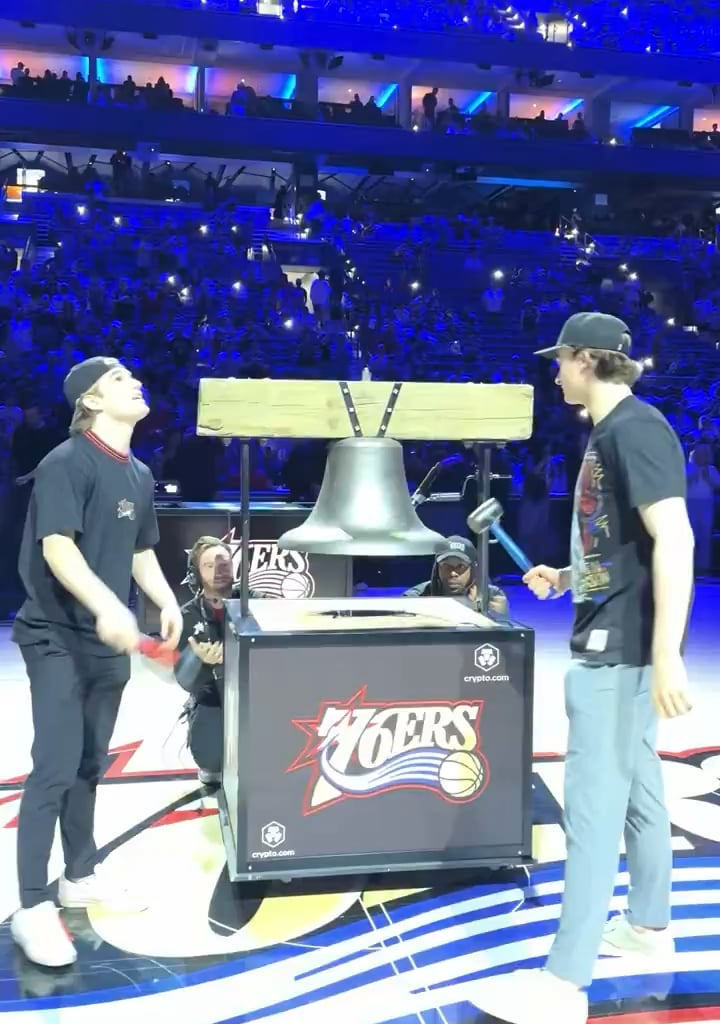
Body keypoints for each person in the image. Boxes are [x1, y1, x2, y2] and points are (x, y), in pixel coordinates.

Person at [471, 312, 694, 1024]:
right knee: (640, 793)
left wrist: (665, 654)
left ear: (588, 360)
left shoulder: (636, 429)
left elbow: (676, 538)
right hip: (613, 634)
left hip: (618, 652)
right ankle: (649, 927)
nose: (554, 370)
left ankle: (563, 985)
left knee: (593, 812)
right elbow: (621, 545)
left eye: (561, 359)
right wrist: (570, 576)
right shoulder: (610, 433)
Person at [10, 356, 183, 969]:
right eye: (117, 379)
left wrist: (164, 600)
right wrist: (109, 607)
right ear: (87, 401)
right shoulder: (65, 462)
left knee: (90, 762)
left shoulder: (137, 472)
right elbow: (57, 547)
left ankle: (78, 875)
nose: (134, 381)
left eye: (135, 376)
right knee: (53, 766)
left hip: (108, 639)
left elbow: (140, 551)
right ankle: (33, 904)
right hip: (57, 635)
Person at [174, 536, 266, 784]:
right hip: (213, 700)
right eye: (209, 565)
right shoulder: (186, 615)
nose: (218, 571)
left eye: (224, 564)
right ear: (195, 573)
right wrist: (198, 660)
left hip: (258, 697)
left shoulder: (258, 601)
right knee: (211, 765)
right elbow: (184, 680)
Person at [404, 535, 509, 617]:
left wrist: (493, 616)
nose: (453, 573)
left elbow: (504, 640)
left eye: (460, 566)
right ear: (437, 569)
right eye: (446, 566)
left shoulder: (491, 596)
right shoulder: (416, 597)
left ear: (473, 569)